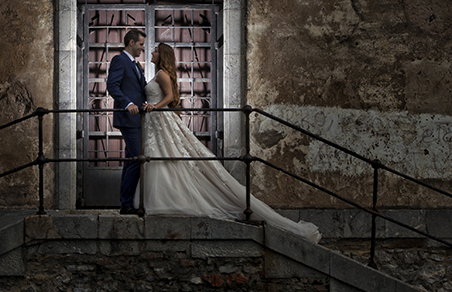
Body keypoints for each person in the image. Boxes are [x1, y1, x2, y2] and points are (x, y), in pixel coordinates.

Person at [138, 43, 321, 243]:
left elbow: (170, 96)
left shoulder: (163, 74)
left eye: (155, 50)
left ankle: (168, 200)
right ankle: (165, 198)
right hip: (155, 122)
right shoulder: (158, 73)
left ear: (162, 55)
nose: (152, 53)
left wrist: (154, 107)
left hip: (160, 119)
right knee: (160, 156)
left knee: (166, 155)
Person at [105, 29, 147, 215]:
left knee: (132, 159)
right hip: (128, 118)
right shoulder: (119, 60)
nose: (142, 49)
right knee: (137, 159)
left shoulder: (136, 65)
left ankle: (126, 203)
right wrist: (128, 103)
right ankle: (127, 203)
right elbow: (112, 86)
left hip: (138, 118)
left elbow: (139, 90)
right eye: (140, 44)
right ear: (131, 42)